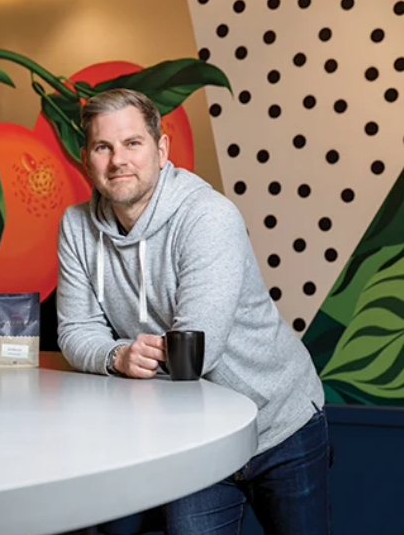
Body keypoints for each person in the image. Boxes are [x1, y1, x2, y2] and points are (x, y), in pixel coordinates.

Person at [56, 88, 330, 535]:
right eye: (103, 147)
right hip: (192, 436)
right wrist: (116, 357)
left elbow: (197, 354)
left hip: (280, 422)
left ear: (161, 149)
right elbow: (75, 331)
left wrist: (129, 359)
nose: (118, 160)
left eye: (132, 143)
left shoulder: (207, 217)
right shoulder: (76, 226)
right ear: (86, 157)